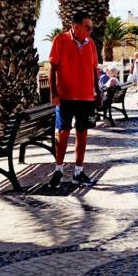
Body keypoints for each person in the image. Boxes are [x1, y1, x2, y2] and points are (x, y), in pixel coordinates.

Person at [48, 11, 100, 187]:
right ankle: (58, 170)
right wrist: (53, 93)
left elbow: (94, 69)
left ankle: (78, 171)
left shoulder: (90, 43)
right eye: (88, 27)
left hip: (86, 98)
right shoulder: (60, 40)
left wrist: (98, 92)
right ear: (76, 26)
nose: (90, 30)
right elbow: (52, 68)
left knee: (82, 134)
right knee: (62, 133)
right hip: (65, 98)